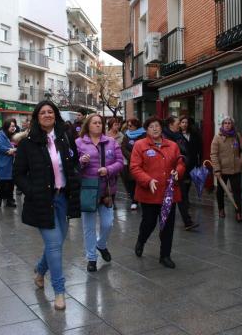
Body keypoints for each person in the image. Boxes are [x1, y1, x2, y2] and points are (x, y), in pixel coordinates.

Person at [13, 101, 81, 311]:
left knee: (58, 243)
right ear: (36, 117)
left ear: (56, 115)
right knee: (53, 245)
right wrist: (33, 191)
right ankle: (59, 292)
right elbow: (18, 174)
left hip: (63, 197)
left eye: (50, 111)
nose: (47, 115)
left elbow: (73, 161)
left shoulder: (65, 138)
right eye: (42, 112)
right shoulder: (28, 143)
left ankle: (40, 272)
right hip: (43, 200)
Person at [131, 117, 186, 269]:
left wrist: (178, 172)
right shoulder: (139, 145)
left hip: (169, 194)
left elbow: (180, 162)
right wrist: (148, 180)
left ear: (161, 128)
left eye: (157, 126)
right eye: (151, 127)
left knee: (168, 226)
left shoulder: (173, 145)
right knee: (149, 223)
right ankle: (141, 240)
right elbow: (135, 168)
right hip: (149, 194)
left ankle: (165, 255)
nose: (155, 129)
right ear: (146, 130)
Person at [76, 114, 124, 272]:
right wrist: (81, 162)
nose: (98, 125)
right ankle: (91, 258)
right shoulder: (79, 142)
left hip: (107, 190)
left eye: (100, 123)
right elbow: (73, 167)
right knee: (88, 227)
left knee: (108, 223)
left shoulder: (111, 141)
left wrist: (108, 170)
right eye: (94, 122)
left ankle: (101, 245)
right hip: (88, 190)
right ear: (87, 125)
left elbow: (120, 162)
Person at [163, 116, 197, 230]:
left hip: (179, 170)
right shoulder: (165, 137)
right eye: (178, 122)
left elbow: (185, 152)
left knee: (181, 196)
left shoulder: (179, 136)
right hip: (167, 172)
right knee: (168, 197)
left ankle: (187, 222)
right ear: (171, 124)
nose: (180, 125)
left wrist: (185, 164)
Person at [210, 116, 242, 222]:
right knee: (220, 191)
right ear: (222, 125)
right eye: (225, 123)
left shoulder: (237, 136)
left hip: (235, 169)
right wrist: (217, 169)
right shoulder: (217, 138)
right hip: (222, 170)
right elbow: (213, 154)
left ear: (232, 125)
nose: (227, 125)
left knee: (237, 191)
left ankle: (238, 212)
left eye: (229, 123)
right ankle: (221, 209)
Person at [179, 115, 202, 229]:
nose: (184, 124)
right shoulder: (177, 136)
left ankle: (185, 198)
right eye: (182, 122)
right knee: (184, 182)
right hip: (182, 163)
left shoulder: (193, 134)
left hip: (192, 161)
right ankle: (185, 200)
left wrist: (199, 161)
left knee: (188, 182)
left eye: (186, 122)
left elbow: (199, 148)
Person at [121, 118, 146, 210]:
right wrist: (131, 156)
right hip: (129, 162)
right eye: (128, 125)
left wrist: (136, 156)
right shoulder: (127, 134)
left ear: (136, 125)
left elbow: (144, 147)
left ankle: (142, 199)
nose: (129, 127)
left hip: (141, 162)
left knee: (139, 181)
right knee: (130, 182)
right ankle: (134, 200)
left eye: (131, 125)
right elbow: (123, 147)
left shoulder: (143, 134)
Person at [0, 119, 18, 208]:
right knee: (3, 182)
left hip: (13, 163)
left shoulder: (14, 136)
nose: (13, 128)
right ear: (7, 126)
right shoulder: (1, 135)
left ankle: (10, 200)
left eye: (14, 126)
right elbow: (0, 147)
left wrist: (15, 149)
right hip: (4, 163)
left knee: (11, 182)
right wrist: (10, 150)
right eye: (11, 126)